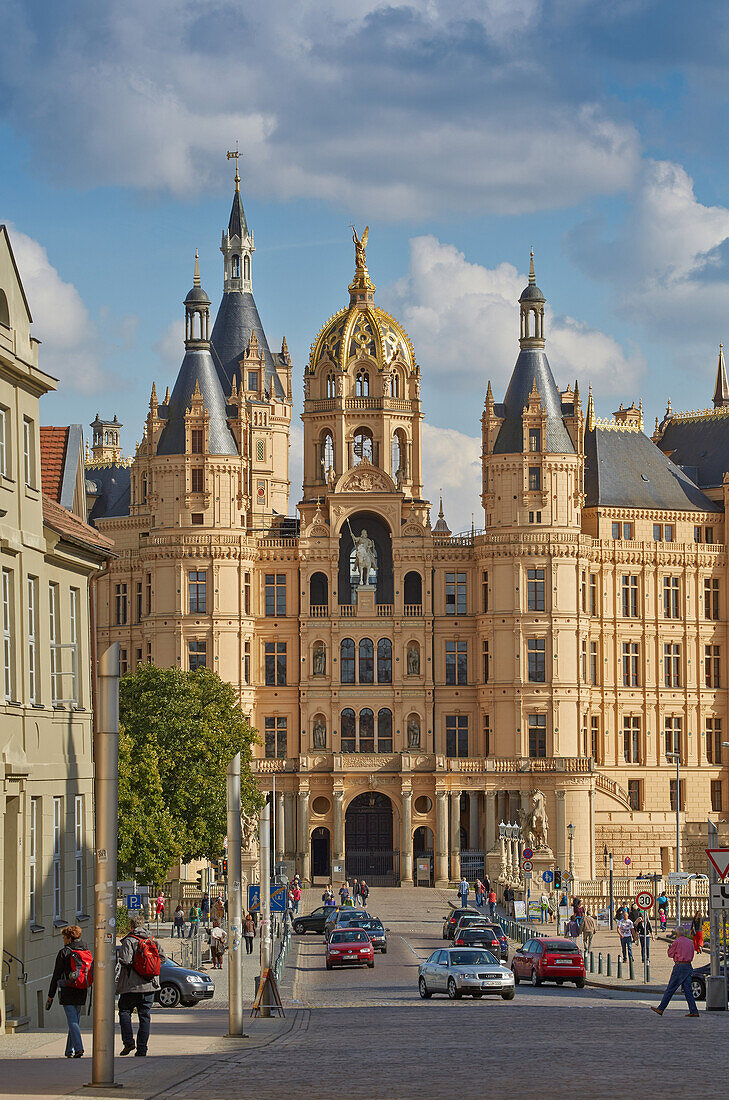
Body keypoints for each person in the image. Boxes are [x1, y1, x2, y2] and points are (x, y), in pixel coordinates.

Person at [116, 913, 165, 1057]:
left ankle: (128, 1041)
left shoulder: (129, 940)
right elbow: (163, 957)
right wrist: (148, 969)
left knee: (125, 1012)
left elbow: (124, 960)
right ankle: (142, 1049)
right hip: (150, 985)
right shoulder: (152, 940)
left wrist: (136, 967)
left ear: (131, 926)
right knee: (145, 1016)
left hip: (131, 986)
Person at [46, 925, 92, 1058]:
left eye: (64, 937)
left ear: (69, 938)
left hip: (68, 989)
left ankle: (79, 1048)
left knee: (72, 1021)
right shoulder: (85, 950)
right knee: (75, 1021)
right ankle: (68, 1050)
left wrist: (50, 996)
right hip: (82, 989)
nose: (63, 940)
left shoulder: (64, 952)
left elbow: (56, 975)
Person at [651, 933, 699, 1017]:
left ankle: (661, 1008)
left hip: (679, 966)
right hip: (688, 966)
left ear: (677, 934)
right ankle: (694, 1010)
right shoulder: (690, 942)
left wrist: (670, 948)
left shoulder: (677, 942)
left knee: (670, 988)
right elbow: (692, 953)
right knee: (688, 991)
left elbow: (670, 954)